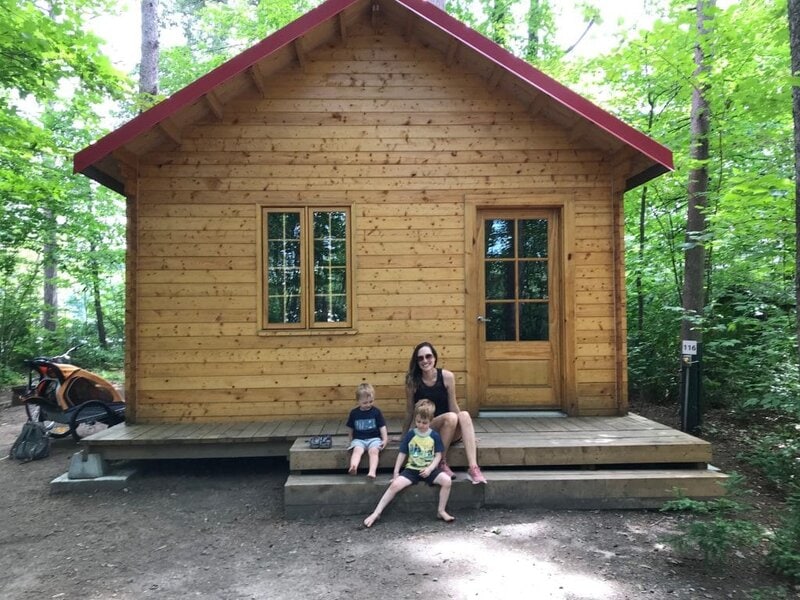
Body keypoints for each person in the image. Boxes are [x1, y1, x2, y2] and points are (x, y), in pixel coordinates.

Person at [403, 341, 487, 484]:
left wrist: (468, 433)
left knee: (463, 415)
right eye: (420, 358)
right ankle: (441, 462)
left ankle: (473, 468)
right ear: (416, 362)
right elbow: (410, 410)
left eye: (428, 356)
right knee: (451, 417)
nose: (425, 361)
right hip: (428, 430)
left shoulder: (447, 376)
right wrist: (404, 435)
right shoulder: (413, 381)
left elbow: (453, 405)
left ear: (435, 357)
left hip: (450, 426)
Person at [364, 399, 454, 527]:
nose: (421, 425)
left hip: (429, 469)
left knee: (447, 481)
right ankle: (376, 513)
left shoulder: (434, 436)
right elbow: (402, 453)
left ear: (431, 421)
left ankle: (441, 510)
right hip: (412, 469)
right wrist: (396, 472)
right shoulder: (411, 434)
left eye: (425, 422)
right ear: (415, 419)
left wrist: (430, 469)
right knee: (394, 485)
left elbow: (438, 455)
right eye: (418, 422)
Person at [346, 382, 388, 479]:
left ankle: (372, 471)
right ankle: (353, 466)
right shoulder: (354, 413)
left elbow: (382, 426)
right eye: (365, 403)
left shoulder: (376, 412)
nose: (368, 404)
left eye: (371, 401)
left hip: (374, 438)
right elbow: (350, 427)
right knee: (357, 451)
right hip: (359, 439)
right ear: (358, 401)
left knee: (373, 452)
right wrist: (350, 439)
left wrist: (385, 439)